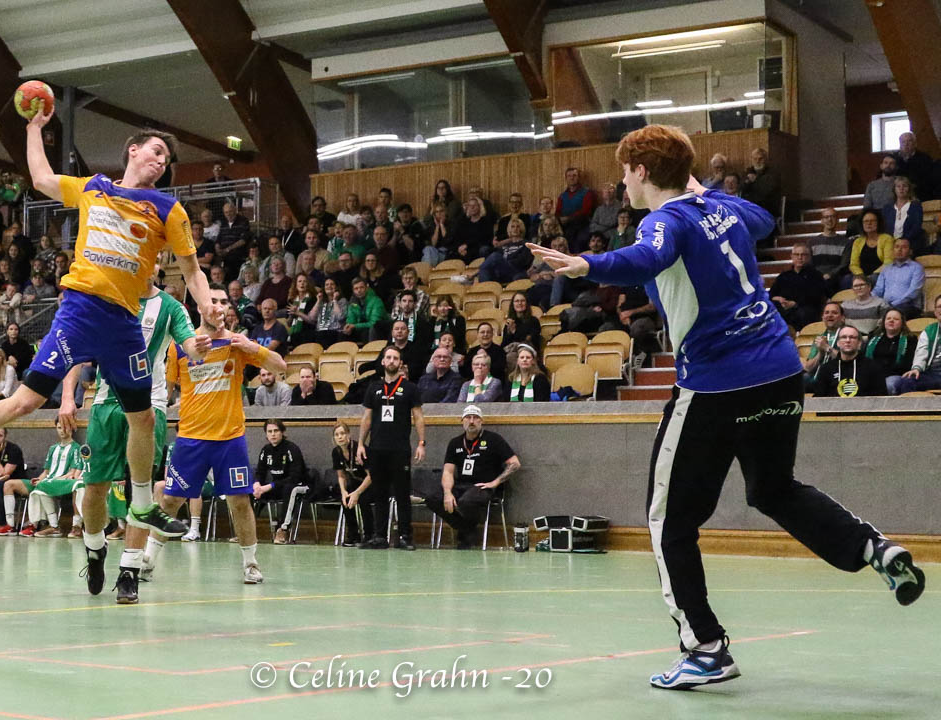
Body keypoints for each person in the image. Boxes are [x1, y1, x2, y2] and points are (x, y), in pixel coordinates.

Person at [528, 123, 924, 690]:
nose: (622, 183)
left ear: (641, 171)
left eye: (624, 171)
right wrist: (704, 190)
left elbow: (645, 257)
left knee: (668, 519)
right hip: (780, 372)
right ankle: (873, 547)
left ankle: (705, 648)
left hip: (717, 384)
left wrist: (585, 266)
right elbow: (760, 219)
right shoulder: (718, 209)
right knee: (774, 489)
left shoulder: (663, 220)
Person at [0, 115, 220, 603]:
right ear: (133, 150)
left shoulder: (168, 209)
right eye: (156, 151)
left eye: (168, 158)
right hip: (79, 313)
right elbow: (39, 178)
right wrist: (34, 127)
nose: (162, 161)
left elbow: (193, 269)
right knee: (25, 402)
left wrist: (206, 309)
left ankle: (142, 504)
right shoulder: (93, 188)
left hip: (123, 323)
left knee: (143, 417)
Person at [70, 266, 205, 598]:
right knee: (94, 489)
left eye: (153, 257)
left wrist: (199, 346)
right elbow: (78, 346)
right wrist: (66, 399)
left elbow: (190, 345)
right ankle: (95, 549)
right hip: (105, 403)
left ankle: (129, 571)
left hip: (148, 406)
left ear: (156, 267)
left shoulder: (171, 307)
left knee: (140, 495)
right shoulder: (110, 299)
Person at [142, 284, 286, 590]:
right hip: (190, 438)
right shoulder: (181, 346)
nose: (219, 306)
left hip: (230, 439)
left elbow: (280, 367)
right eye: (213, 301)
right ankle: (148, 559)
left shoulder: (237, 344)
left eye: (224, 302)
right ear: (201, 306)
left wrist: (253, 349)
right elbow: (165, 391)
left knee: (239, 502)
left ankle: (250, 563)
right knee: (170, 500)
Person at [356, 345, 425, 550]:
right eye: (388, 357)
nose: (392, 361)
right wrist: (360, 444)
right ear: (383, 361)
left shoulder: (410, 388)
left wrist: (421, 443)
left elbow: (418, 417)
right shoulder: (373, 388)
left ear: (400, 363)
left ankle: (405, 536)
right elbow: (367, 418)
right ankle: (379, 536)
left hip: (400, 449)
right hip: (377, 448)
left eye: (395, 358)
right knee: (379, 493)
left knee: (402, 493)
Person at [424, 405, 520, 549]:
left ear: (481, 421)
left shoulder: (494, 439)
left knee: (466, 501)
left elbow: (515, 463)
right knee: (432, 498)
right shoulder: (455, 443)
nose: (471, 421)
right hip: (461, 485)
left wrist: (495, 482)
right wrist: (448, 493)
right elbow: (448, 471)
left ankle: (466, 534)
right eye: (468, 418)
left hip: (483, 486)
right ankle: (467, 529)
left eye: (475, 418)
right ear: (462, 421)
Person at [18, 419, 84, 538]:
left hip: (65, 482)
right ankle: (52, 526)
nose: (62, 431)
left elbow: (72, 473)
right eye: (59, 428)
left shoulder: (76, 448)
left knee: (74, 486)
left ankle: (76, 526)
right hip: (49, 481)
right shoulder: (53, 448)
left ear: (71, 428)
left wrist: (53, 480)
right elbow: (46, 472)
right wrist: (39, 479)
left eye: (65, 427)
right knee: (38, 488)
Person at [253, 420, 308, 545]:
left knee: (290, 489)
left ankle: (283, 529)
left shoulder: (291, 449)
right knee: (251, 491)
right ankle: (246, 530)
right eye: (269, 431)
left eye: (276, 431)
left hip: (299, 485)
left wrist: (269, 486)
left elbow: (295, 477)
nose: (273, 434)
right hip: (277, 485)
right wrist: (257, 484)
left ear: (282, 432)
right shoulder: (266, 450)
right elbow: (260, 472)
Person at [812, 325, 887, 397]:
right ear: (838, 343)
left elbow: (881, 398)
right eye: (844, 337)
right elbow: (819, 398)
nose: (848, 340)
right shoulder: (826, 369)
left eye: (852, 337)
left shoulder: (873, 367)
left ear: (859, 343)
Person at [331, 423, 373, 547]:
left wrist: (357, 493)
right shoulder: (336, 452)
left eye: (342, 433)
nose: (340, 437)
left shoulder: (359, 450)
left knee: (363, 499)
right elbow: (341, 476)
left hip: (371, 483)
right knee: (345, 498)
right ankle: (353, 534)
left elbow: (371, 476)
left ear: (348, 434)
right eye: (337, 435)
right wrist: (343, 491)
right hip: (355, 482)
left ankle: (369, 534)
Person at [768, 244, 828, 331]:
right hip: (784, 308)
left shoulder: (816, 275)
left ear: (809, 257)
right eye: (796, 254)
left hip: (806, 310)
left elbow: (816, 297)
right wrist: (776, 298)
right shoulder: (784, 276)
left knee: (804, 312)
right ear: (792, 256)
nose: (800, 257)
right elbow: (771, 294)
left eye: (803, 255)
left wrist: (795, 304)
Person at [892, 294, 941, 394]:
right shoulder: (929, 330)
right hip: (933, 374)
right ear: (935, 312)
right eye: (940, 307)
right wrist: (916, 368)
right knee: (902, 383)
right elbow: (921, 352)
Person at [864, 308, 917, 395]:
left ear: (902, 323)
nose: (891, 321)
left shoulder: (910, 339)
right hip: (873, 374)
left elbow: (908, 363)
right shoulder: (873, 337)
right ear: (884, 321)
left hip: (897, 375)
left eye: (896, 319)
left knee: (888, 385)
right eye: (888, 318)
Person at [873, 237, 924, 319]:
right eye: (897, 247)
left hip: (908, 306)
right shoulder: (886, 269)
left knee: (894, 312)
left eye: (904, 247)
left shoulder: (916, 268)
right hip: (887, 305)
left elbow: (914, 291)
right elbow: (878, 289)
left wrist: (893, 304)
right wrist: (870, 299)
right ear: (893, 250)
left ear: (910, 251)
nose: (899, 250)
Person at [808, 207, 848, 290]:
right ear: (822, 221)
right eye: (826, 217)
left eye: (833, 216)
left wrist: (830, 275)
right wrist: (819, 276)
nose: (829, 219)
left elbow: (844, 264)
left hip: (837, 279)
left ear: (837, 220)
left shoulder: (846, 242)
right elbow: (809, 264)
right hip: (816, 278)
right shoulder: (812, 242)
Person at [849, 209, 894, 282]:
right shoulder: (857, 242)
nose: (869, 223)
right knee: (847, 279)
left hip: (880, 275)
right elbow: (853, 264)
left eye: (872, 221)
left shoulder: (887, 239)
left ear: (878, 223)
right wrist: (861, 276)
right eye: (866, 221)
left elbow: (888, 262)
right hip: (861, 276)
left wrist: (871, 277)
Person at [882, 176, 924, 249]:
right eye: (898, 186)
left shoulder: (916, 206)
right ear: (894, 189)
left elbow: (916, 228)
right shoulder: (887, 208)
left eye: (904, 186)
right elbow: (884, 227)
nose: (901, 188)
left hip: (910, 244)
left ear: (909, 189)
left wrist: (902, 241)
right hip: (890, 244)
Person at [343, 277, 388, 344]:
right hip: (361, 330)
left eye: (361, 287)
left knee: (367, 332)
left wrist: (355, 326)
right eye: (356, 288)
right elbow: (351, 320)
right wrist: (348, 326)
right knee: (343, 334)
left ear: (367, 288)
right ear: (353, 291)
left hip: (377, 330)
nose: (359, 290)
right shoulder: (352, 303)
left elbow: (375, 323)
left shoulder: (376, 301)